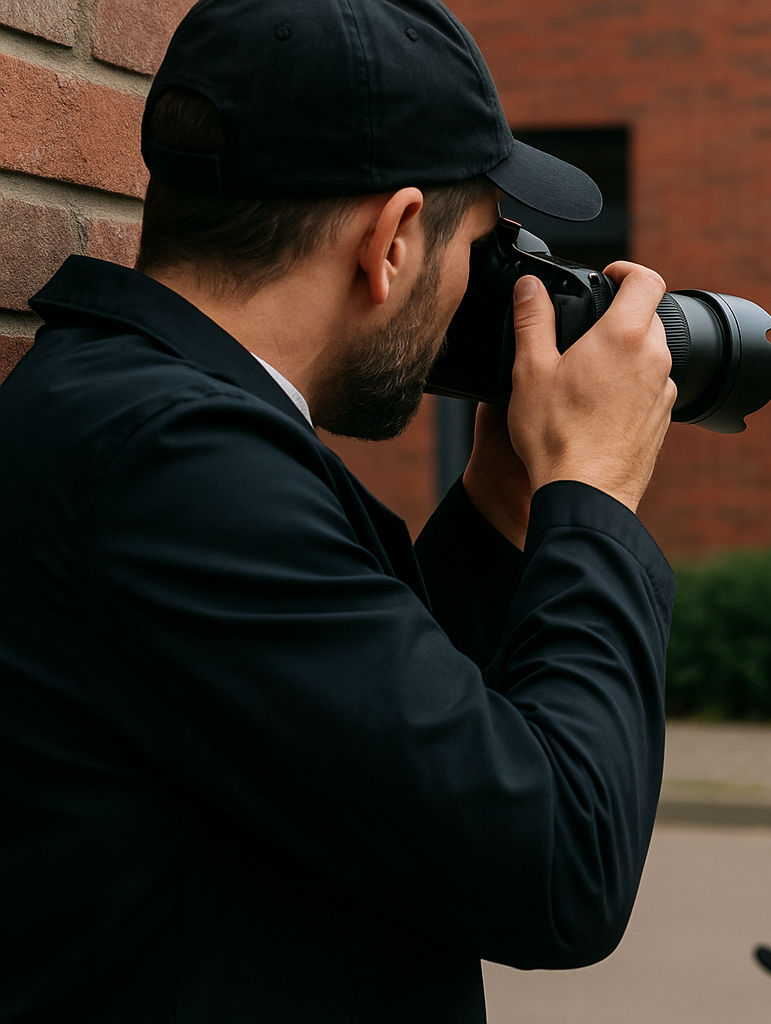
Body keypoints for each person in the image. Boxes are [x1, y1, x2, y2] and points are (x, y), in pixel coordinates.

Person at [0, 1, 679, 1020]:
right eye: (483, 249)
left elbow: (370, 743)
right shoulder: (176, 463)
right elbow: (561, 863)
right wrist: (595, 495)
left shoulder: (141, 418)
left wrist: (504, 502)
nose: (475, 296)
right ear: (396, 237)